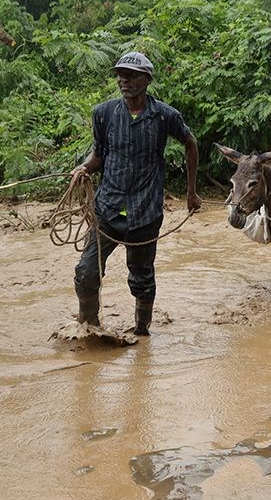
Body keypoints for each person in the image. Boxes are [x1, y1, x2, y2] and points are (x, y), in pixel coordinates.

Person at [70, 51, 202, 335]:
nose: (123, 80)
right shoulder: (103, 114)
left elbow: (191, 144)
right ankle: (88, 329)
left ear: (147, 80)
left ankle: (142, 333)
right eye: (120, 74)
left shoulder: (166, 116)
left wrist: (191, 193)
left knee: (141, 278)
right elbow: (99, 156)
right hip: (106, 208)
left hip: (145, 212)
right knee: (86, 271)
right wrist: (83, 169)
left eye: (131, 75)